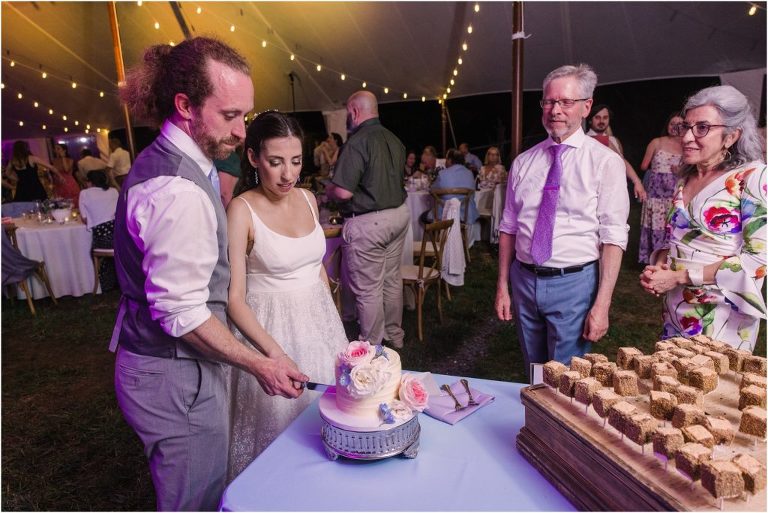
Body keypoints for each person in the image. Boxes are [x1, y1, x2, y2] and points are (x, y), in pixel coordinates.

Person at [111, 36, 308, 511]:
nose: (242, 132)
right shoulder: (176, 190)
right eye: (230, 115)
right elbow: (181, 313)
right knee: (196, 501)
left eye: (245, 115)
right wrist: (260, 364)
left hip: (168, 367)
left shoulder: (186, 164)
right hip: (173, 375)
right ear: (185, 106)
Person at [226, 111, 347, 479]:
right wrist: (273, 355)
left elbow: (316, 267)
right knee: (280, 430)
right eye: (276, 162)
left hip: (319, 324)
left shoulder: (308, 199)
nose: (288, 174)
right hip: (271, 330)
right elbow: (234, 299)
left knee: (330, 424)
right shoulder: (241, 209)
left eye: (295, 161)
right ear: (253, 158)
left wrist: (333, 326)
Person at [495, 64, 630, 371]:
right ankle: (536, 403)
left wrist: (603, 304)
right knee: (534, 371)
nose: (555, 110)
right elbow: (509, 227)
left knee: (566, 378)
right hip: (524, 280)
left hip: (574, 284)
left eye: (566, 102)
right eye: (549, 101)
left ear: (587, 106)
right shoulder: (523, 162)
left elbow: (613, 236)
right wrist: (502, 284)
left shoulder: (605, 162)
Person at [639, 85, 766, 351]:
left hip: (722, 316)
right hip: (676, 310)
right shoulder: (686, 177)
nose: (687, 137)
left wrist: (679, 277)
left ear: (731, 136)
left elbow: (758, 261)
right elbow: (678, 239)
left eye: (702, 128)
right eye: (686, 127)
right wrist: (661, 265)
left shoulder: (753, 178)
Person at [326, 90, 410, 349]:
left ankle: (372, 347)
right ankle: (395, 336)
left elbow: (343, 192)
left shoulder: (357, 142)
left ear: (354, 111)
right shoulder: (394, 139)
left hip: (370, 223)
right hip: (399, 215)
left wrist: (328, 190)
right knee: (391, 279)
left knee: (368, 288)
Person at [637, 113, 684, 264]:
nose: (675, 127)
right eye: (672, 124)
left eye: (679, 125)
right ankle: (652, 259)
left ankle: (669, 259)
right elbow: (644, 165)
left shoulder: (686, 145)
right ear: (667, 125)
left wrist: (680, 170)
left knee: (671, 227)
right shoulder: (656, 142)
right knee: (655, 227)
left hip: (674, 196)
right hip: (655, 195)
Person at [587, 104, 647, 202]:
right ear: (590, 120)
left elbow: (621, 162)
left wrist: (636, 181)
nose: (601, 121)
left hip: (614, 189)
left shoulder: (613, 140)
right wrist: (636, 181)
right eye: (597, 117)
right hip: (594, 191)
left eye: (605, 118)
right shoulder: (587, 139)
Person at [79, 170, 119, 291]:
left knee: (88, 249)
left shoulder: (85, 194)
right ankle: (116, 280)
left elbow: (85, 219)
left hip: (103, 238)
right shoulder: (113, 191)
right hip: (119, 237)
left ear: (90, 182)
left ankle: (104, 282)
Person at [426, 148, 479, 224]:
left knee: (422, 216)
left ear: (450, 160)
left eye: (446, 159)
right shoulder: (470, 174)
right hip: (466, 216)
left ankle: (435, 232)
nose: (445, 161)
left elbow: (432, 190)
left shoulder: (442, 174)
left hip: (444, 216)